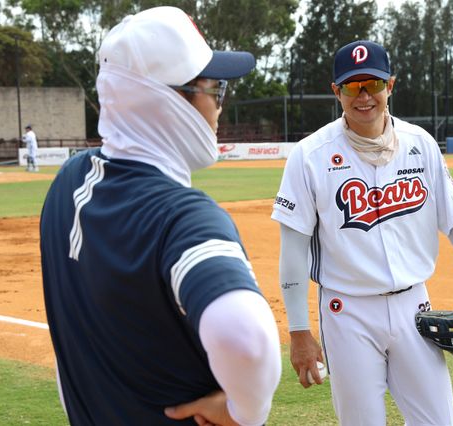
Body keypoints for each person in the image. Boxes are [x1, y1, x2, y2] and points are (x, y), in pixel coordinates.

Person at [40, 6, 281, 426]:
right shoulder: (183, 217)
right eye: (215, 89)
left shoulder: (67, 183)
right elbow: (246, 339)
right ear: (171, 99)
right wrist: (245, 412)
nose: (219, 107)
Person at [271, 40, 453, 425]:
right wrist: (298, 332)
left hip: (415, 307)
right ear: (336, 92)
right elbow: (293, 248)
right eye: (352, 86)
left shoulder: (420, 144)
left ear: (390, 85)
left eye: (373, 84)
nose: (364, 96)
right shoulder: (310, 156)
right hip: (347, 313)